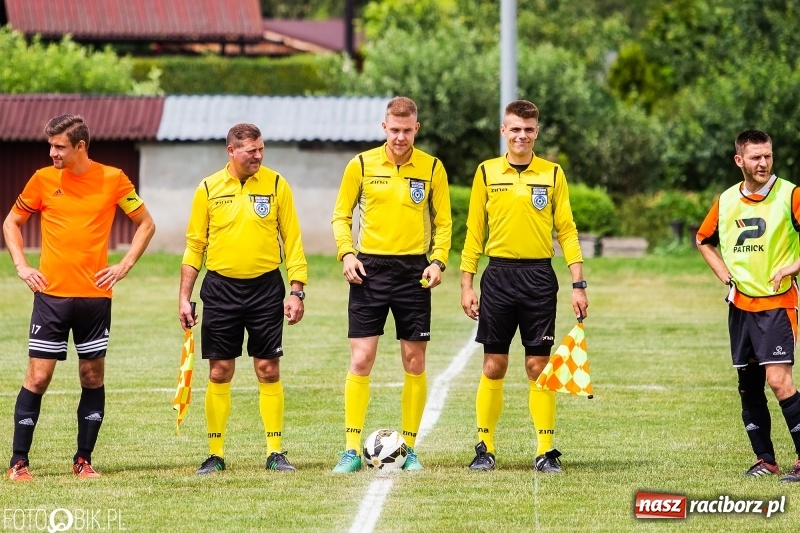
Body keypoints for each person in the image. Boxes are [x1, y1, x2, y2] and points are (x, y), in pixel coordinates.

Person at [3, 114, 156, 481]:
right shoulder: (42, 179)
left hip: (95, 299)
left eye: (59, 146)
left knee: (91, 377)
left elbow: (146, 224)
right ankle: (18, 462)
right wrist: (22, 266)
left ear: (80, 146)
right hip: (51, 296)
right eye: (51, 145)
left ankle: (83, 460)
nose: (52, 152)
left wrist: (124, 265)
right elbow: (11, 222)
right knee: (38, 378)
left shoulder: (113, 178)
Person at [460, 100, 588, 473]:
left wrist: (578, 284)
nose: (521, 135)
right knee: (494, 365)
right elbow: (474, 232)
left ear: (537, 132)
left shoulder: (552, 174)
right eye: (515, 129)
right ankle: (485, 447)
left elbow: (567, 230)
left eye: (528, 130)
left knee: (538, 365)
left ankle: (545, 451)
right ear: (504, 131)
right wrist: (467, 284)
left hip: (539, 277)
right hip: (498, 276)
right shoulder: (486, 173)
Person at [330, 96, 452, 473]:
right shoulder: (361, 164)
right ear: (384, 128)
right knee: (361, 359)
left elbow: (444, 222)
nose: (400, 137)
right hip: (369, 270)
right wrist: (347, 254)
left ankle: (409, 448)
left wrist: (438, 260)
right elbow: (340, 215)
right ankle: (351, 449)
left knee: (414, 361)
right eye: (394, 130)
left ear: (417, 128)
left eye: (407, 130)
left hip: (414, 272)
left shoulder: (432, 168)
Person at [180, 123, 307, 475]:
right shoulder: (208, 188)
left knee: (268, 369)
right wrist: (184, 297)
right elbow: (194, 246)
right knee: (220, 371)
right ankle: (215, 454)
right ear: (231, 151)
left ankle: (275, 452)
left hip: (266, 288)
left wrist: (296, 290)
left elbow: (293, 240)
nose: (258, 156)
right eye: (251, 150)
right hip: (220, 288)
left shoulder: (277, 184)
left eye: (261, 149)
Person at [697, 129, 800, 483]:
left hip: (777, 304)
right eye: (755, 157)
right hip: (741, 306)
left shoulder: (790, 194)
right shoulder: (726, 200)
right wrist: (725, 275)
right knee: (749, 384)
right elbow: (703, 239)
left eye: (768, 155)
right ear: (739, 160)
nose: (763, 162)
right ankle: (766, 460)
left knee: (779, 380)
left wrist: (791, 267)